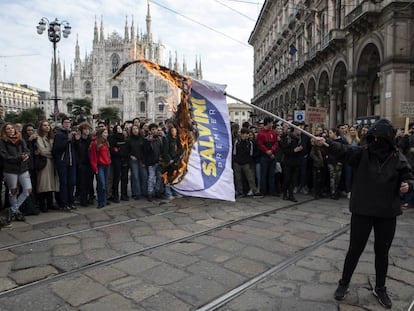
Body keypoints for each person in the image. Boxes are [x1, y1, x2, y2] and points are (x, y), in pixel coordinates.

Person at [313, 118, 414, 309]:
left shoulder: (397, 157)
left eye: (379, 138)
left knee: (382, 252)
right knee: (354, 249)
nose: (376, 142)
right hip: (362, 210)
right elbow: (343, 151)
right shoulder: (363, 153)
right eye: (373, 138)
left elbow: (408, 175)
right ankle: (344, 283)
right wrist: (326, 144)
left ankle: (380, 288)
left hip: (387, 212)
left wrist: (408, 185)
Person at [0, 123, 31, 222]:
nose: (10, 130)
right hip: (10, 170)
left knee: (27, 190)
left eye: (12, 128)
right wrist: (19, 158)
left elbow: (26, 150)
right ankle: (16, 211)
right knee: (13, 191)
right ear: (4, 131)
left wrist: (26, 155)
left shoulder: (20, 139)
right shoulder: (2, 141)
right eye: (8, 129)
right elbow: (5, 156)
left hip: (23, 168)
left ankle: (13, 210)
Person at [52, 118, 76, 211]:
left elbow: (76, 149)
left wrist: (77, 140)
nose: (67, 124)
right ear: (62, 124)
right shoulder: (59, 135)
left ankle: (71, 201)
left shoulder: (72, 134)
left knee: (72, 183)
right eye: (65, 123)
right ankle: (64, 203)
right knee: (64, 183)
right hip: (63, 162)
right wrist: (68, 140)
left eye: (69, 122)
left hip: (72, 162)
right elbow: (56, 148)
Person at [36, 120, 59, 212]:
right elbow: (42, 151)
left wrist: (50, 153)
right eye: (45, 125)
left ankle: (50, 203)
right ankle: (42, 205)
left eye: (48, 125)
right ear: (40, 127)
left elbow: (52, 151)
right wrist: (51, 154)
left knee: (51, 184)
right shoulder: (38, 138)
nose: (47, 127)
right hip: (43, 163)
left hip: (51, 163)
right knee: (43, 184)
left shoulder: (51, 138)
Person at [232, 127, 262, 197]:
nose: (246, 135)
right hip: (237, 162)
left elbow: (250, 154)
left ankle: (254, 190)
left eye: (247, 134)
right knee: (238, 178)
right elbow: (234, 152)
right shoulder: (237, 142)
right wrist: (236, 160)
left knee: (250, 177)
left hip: (246, 163)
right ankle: (240, 191)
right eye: (245, 134)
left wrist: (248, 161)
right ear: (241, 134)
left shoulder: (250, 143)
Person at [90, 128, 111, 209]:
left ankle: (104, 200)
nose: (106, 134)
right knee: (101, 184)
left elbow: (108, 154)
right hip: (100, 166)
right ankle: (100, 201)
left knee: (105, 184)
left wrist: (109, 161)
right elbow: (93, 157)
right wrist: (95, 168)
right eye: (105, 133)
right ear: (101, 134)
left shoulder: (106, 142)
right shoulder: (95, 143)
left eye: (107, 133)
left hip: (107, 165)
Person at [257, 117, 278, 196]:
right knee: (264, 174)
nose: (272, 124)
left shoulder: (273, 133)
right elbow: (260, 144)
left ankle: (272, 190)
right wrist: (267, 151)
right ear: (268, 123)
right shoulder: (261, 133)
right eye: (271, 123)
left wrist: (272, 151)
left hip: (272, 156)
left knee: (272, 174)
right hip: (264, 156)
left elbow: (276, 143)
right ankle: (263, 191)